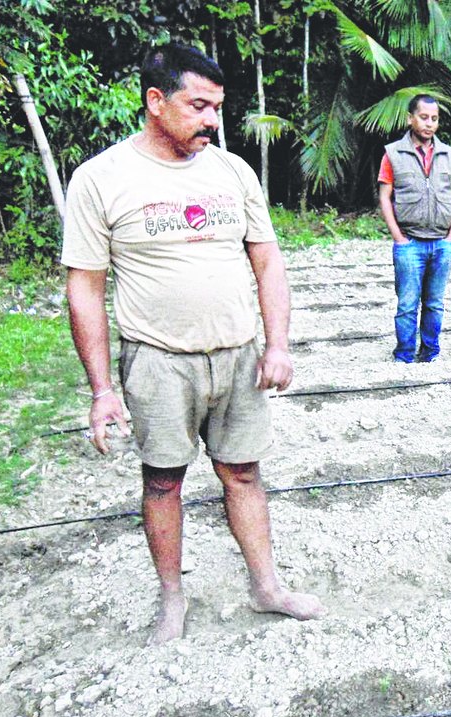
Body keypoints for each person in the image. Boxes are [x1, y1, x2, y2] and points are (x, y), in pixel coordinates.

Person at [62, 42, 324, 645]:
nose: (212, 120)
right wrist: (102, 389)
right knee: (162, 482)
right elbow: (85, 288)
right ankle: (172, 598)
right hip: (157, 361)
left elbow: (268, 262)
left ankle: (266, 587)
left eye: (217, 108)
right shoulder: (101, 178)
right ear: (156, 102)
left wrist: (277, 343)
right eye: (199, 105)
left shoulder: (234, 172)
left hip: (238, 355)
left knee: (244, 473)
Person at [378, 93, 451, 363]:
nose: (429, 123)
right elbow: (384, 196)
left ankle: (430, 354)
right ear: (410, 118)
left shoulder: (450, 155)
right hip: (410, 244)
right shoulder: (393, 154)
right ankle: (403, 355)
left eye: (434, 119)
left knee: (435, 304)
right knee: (406, 306)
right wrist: (398, 237)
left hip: (441, 243)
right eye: (424, 117)